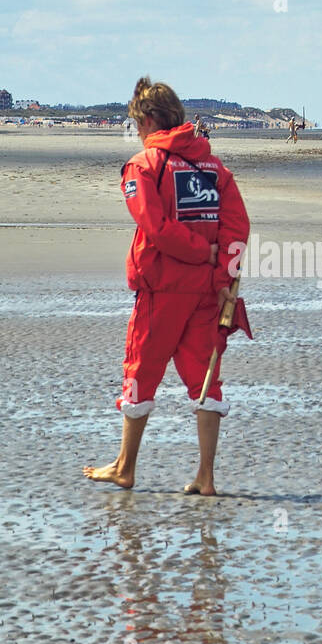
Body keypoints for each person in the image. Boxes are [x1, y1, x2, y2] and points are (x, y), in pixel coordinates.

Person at [83, 77, 250, 495]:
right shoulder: (217, 169)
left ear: (150, 119)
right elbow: (237, 230)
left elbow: (156, 228)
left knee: (140, 372)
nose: (135, 132)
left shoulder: (143, 166)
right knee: (206, 378)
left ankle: (125, 466)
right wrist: (220, 274)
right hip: (207, 292)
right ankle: (206, 476)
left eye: (136, 124)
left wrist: (203, 255)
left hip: (162, 289)